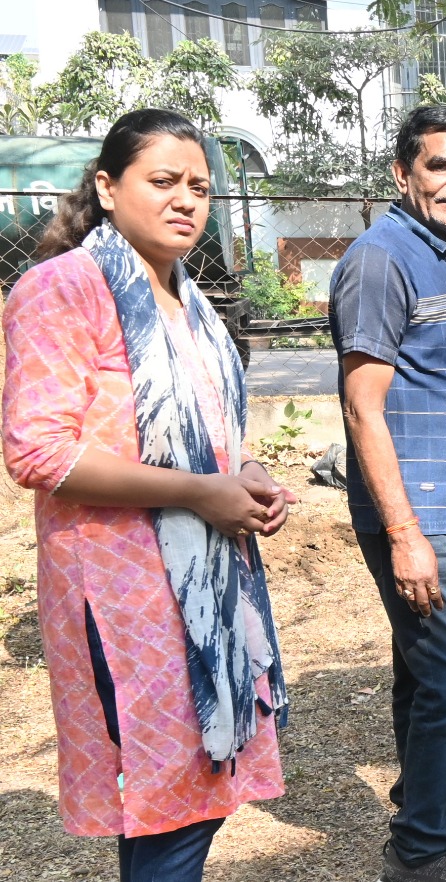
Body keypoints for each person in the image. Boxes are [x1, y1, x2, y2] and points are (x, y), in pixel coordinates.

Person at [2, 108, 292, 882]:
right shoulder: (63, 288)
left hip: (203, 585)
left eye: (199, 186)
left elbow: (204, 435)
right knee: (172, 810)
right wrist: (201, 491)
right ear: (107, 185)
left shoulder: (189, 302)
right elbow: (36, 450)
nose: (187, 200)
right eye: (163, 181)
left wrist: (246, 475)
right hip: (124, 592)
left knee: (184, 803)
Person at [329, 106, 446, 882]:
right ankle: (417, 854)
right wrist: (405, 532)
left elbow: (445, 387)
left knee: (420, 671)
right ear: (404, 173)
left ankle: (425, 820)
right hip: (415, 514)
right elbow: (362, 404)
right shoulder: (381, 259)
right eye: (441, 166)